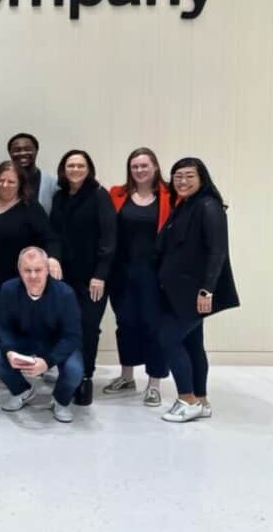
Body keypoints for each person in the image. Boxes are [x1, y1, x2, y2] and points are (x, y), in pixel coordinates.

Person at [156, 158, 238, 422]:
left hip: (195, 293)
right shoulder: (184, 206)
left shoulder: (209, 206)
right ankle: (201, 400)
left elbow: (217, 252)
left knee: (168, 338)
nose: (182, 181)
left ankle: (187, 399)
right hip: (177, 291)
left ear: (202, 178)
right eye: (177, 176)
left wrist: (207, 291)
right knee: (192, 343)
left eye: (189, 176)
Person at [104, 148, 172, 406]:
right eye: (135, 167)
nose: (140, 170)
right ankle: (127, 376)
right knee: (126, 323)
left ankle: (154, 383)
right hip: (122, 272)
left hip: (154, 274)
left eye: (144, 165)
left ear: (155, 166)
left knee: (154, 326)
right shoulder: (117, 194)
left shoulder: (169, 196)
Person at [50, 149, 116, 406]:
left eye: (80, 165)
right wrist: (52, 257)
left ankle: (85, 377)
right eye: (70, 165)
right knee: (66, 327)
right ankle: (67, 374)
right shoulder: (59, 197)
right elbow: (52, 233)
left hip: (93, 279)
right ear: (63, 169)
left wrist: (100, 274)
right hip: (63, 276)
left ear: (89, 169)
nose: (75, 170)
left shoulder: (100, 196)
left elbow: (109, 238)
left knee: (88, 328)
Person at [0, 247, 84, 423]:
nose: (33, 276)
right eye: (27, 270)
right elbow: (3, 327)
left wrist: (48, 362)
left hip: (55, 343)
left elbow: (72, 336)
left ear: (47, 269)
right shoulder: (8, 289)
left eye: (38, 270)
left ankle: (60, 401)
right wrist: (9, 351)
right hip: (23, 341)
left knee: (75, 369)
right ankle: (22, 391)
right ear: (19, 271)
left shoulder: (65, 293)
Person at [0, 161, 60, 358]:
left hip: (17, 282)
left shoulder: (30, 208)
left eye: (11, 182)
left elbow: (49, 238)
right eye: (1, 180)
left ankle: (16, 374)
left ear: (21, 184)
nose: (5, 185)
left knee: (13, 331)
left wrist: (53, 259)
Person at [7, 132, 57, 215]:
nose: (22, 153)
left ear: (36, 151)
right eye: (16, 150)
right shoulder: (3, 182)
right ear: (10, 153)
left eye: (27, 149)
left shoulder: (51, 183)